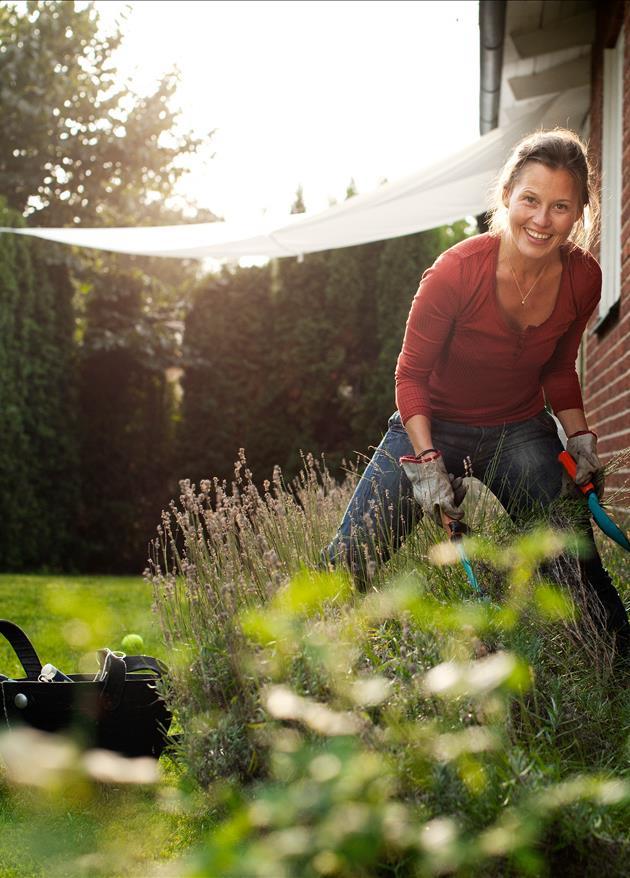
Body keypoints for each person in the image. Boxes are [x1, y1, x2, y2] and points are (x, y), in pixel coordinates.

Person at [324, 128, 629, 655]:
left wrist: (579, 439)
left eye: (560, 206)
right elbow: (410, 376)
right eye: (530, 200)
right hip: (432, 422)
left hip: (519, 429)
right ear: (507, 194)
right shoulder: (456, 271)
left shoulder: (584, 279)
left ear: (580, 212)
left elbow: (559, 369)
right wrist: (425, 462)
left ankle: (616, 670)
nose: (541, 219)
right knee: (349, 561)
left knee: (575, 565)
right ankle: (294, 667)